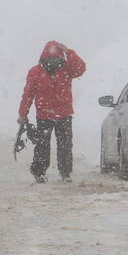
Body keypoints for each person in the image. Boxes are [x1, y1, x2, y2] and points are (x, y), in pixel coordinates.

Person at [17, 41, 86, 183]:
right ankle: (40, 172)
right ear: (44, 58)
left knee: (64, 145)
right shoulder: (36, 72)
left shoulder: (66, 69)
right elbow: (28, 94)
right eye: (51, 59)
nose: (53, 62)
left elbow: (81, 68)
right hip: (45, 115)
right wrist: (23, 113)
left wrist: (68, 51)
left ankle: (64, 173)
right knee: (44, 145)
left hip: (63, 114)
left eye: (56, 59)